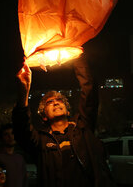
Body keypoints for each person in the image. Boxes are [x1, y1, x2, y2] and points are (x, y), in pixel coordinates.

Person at [12, 55, 116, 187]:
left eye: (59, 100)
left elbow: (90, 93)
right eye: (50, 102)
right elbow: (21, 128)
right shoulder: (40, 141)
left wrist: (79, 58)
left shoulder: (83, 127)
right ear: (44, 116)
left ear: (67, 111)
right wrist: (24, 91)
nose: (55, 103)